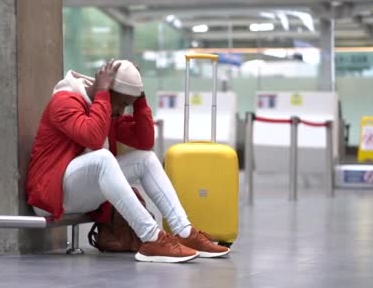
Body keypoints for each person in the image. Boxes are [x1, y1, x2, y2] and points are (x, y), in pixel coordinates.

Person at [26, 59, 230, 263]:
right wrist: (103, 95)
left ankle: (184, 232)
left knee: (146, 159)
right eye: (123, 104)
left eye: (128, 105)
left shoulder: (106, 110)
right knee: (103, 158)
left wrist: (139, 99)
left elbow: (144, 141)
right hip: (51, 196)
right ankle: (152, 239)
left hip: (79, 193)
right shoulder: (64, 102)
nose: (123, 112)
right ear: (108, 92)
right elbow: (94, 139)